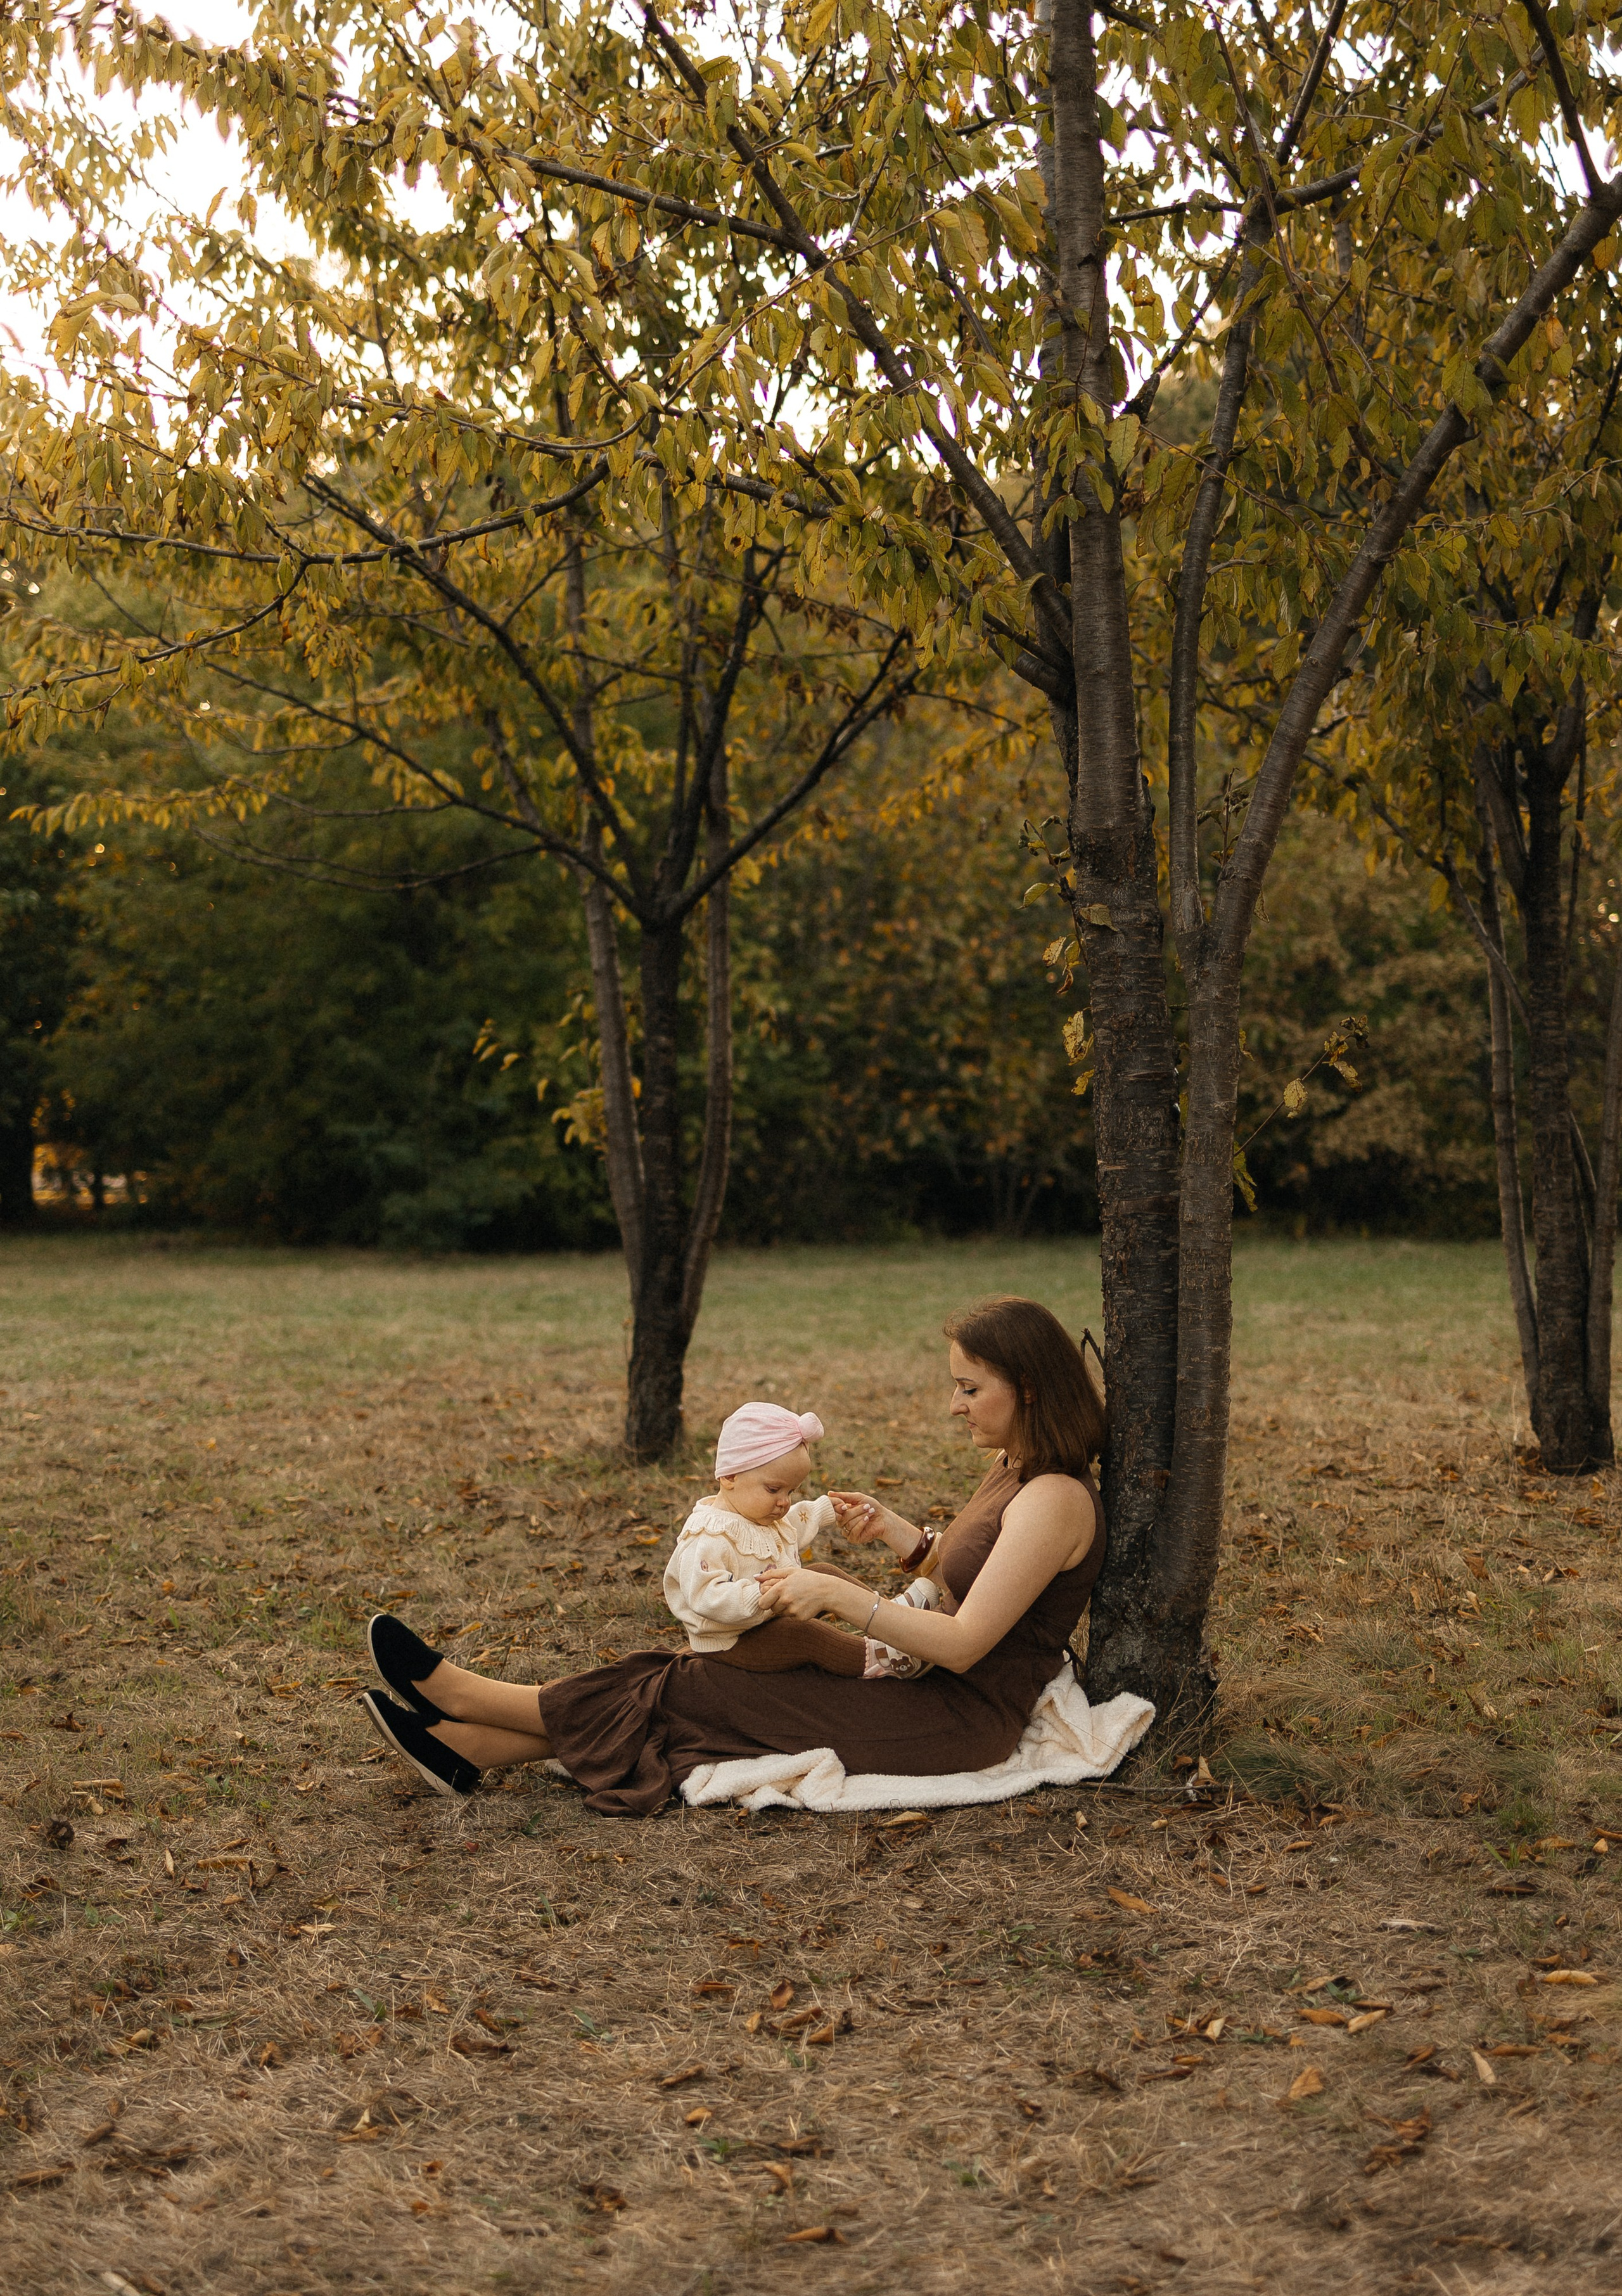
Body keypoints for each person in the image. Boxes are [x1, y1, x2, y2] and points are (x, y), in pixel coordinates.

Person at [361, 1295, 1106, 1816]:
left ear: (1029, 1388)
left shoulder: (1055, 1498)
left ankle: (463, 1700)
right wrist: (901, 1539)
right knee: (691, 1670)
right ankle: (467, 1745)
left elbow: (971, 1639)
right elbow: (977, 1580)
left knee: (706, 1688)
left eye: (969, 1387)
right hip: (918, 1675)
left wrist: (844, 1597)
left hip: (954, 1713)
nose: (954, 1404)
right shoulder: (1014, 1464)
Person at [661, 1399, 938, 1678]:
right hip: (732, 1641)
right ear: (730, 1476)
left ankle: (893, 1619)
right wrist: (759, 1595)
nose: (784, 1502)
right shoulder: (709, 1535)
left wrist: (826, 1510)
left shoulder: (756, 1513)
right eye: (774, 1489)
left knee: (825, 1575)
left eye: (791, 1491)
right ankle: (883, 1661)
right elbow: (705, 1597)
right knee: (805, 1635)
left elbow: (790, 1526)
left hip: (765, 1618)